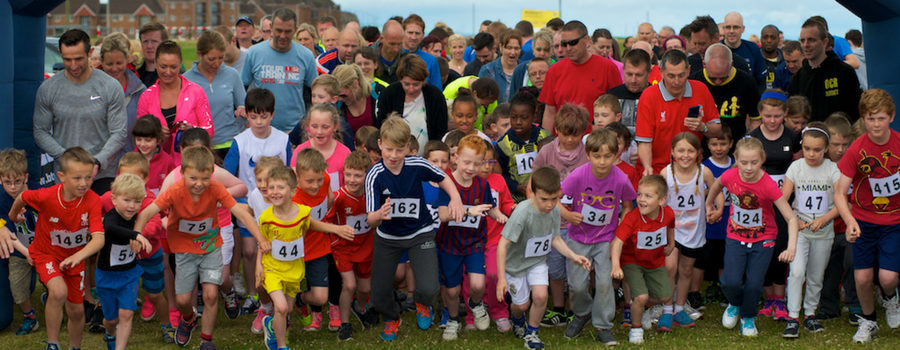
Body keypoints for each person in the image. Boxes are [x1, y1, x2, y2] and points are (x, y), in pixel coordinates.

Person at [133, 146, 262, 349]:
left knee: (210, 294)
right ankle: (188, 318)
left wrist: (260, 239)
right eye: (193, 178)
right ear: (182, 173)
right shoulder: (174, 191)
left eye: (204, 178)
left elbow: (242, 213)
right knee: (183, 301)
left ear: (212, 174)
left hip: (211, 248)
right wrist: (137, 234)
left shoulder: (216, 188)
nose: (199, 184)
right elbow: (147, 212)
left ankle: (206, 340)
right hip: (184, 252)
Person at [365, 116, 465, 341]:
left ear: (409, 149)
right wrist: (379, 216)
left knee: (430, 289)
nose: (393, 155)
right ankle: (392, 317)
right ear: (380, 144)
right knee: (379, 296)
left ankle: (421, 302)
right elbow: (370, 219)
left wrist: (455, 198)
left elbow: (443, 178)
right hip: (387, 238)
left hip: (420, 234)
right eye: (388, 149)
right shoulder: (374, 175)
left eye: (399, 150)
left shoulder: (417, 164)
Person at [9, 147, 106, 350]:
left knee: (77, 311)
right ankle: (52, 344)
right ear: (61, 176)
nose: (83, 183)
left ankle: (74, 347)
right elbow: (23, 196)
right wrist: (13, 216)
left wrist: (78, 256)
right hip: (46, 254)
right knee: (58, 291)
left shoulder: (93, 200)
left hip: (74, 258)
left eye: (88, 177)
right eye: (77, 177)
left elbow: (98, 239)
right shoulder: (47, 196)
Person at [705, 137, 798, 337]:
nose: (748, 168)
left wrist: (791, 248)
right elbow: (716, 184)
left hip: (763, 240)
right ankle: (735, 304)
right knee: (729, 281)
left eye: (754, 162)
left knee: (755, 284)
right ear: (736, 159)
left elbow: (790, 218)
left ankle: (748, 317)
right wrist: (710, 205)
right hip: (735, 236)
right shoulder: (730, 176)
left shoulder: (768, 185)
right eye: (744, 162)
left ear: (762, 160)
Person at [257, 165, 352, 349]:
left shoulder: (301, 212)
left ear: (293, 191)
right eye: (271, 188)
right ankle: (282, 346)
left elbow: (313, 225)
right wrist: (258, 268)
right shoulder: (266, 218)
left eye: (280, 187)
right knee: (282, 308)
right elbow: (262, 242)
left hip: (294, 270)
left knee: (288, 309)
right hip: (273, 269)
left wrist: (336, 229)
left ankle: (270, 325)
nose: (274, 192)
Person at [496, 166, 591, 350]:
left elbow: (555, 239)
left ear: (559, 193)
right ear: (533, 192)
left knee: (540, 297)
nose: (549, 204)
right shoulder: (522, 213)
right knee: (522, 306)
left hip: (537, 262)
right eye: (544, 199)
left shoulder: (555, 210)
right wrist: (501, 278)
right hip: (515, 266)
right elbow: (502, 245)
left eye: (554, 199)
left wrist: (574, 256)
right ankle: (516, 318)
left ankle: (532, 333)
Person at [834, 89, 900, 343]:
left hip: (894, 222)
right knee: (862, 277)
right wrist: (850, 221)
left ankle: (891, 297)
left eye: (881, 118)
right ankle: (868, 320)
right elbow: (840, 192)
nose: (875, 124)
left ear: (892, 117)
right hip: (864, 221)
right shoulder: (857, 150)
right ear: (863, 119)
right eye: (870, 119)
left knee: (887, 277)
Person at [559, 128, 636, 345]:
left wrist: (623, 224)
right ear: (588, 154)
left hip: (606, 239)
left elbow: (628, 205)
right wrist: (566, 213)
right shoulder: (578, 175)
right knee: (577, 285)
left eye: (607, 156)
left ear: (616, 154)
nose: (602, 161)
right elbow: (556, 197)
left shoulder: (620, 179)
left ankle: (603, 325)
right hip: (578, 238)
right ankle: (583, 312)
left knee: (604, 283)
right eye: (597, 156)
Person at [34, 29, 128, 195]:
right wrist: (66, 158)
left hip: (101, 176)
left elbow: (119, 133)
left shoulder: (110, 87)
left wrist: (97, 162)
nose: (73, 65)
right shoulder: (49, 88)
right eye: (67, 59)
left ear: (90, 53)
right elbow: (40, 131)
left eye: (79, 59)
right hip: (65, 177)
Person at [435, 135, 509, 340]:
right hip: (450, 245)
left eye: (478, 164)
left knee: (478, 285)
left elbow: (489, 209)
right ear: (456, 158)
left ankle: (476, 305)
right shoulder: (446, 183)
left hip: (474, 243)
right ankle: (453, 319)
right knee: (452, 291)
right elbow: (443, 215)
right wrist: (469, 211)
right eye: (467, 162)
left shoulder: (482, 185)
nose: (471, 168)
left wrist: (500, 216)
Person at [102, 153, 173, 343]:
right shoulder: (110, 198)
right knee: (117, 292)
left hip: (149, 255)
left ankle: (166, 325)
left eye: (135, 178)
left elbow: (156, 223)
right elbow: (97, 213)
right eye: (124, 177)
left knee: (155, 293)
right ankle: (115, 322)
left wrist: (139, 235)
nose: (129, 183)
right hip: (121, 259)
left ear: (145, 179)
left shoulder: (149, 199)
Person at [780, 123, 841, 338]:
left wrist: (825, 218)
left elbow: (843, 203)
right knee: (796, 272)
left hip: (824, 233)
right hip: (800, 232)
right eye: (807, 149)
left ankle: (810, 314)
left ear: (825, 148)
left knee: (816, 275)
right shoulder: (795, 168)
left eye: (817, 149)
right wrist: (794, 219)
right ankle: (793, 316)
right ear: (802, 147)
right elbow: (783, 199)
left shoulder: (833, 170)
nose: (812, 154)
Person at [660, 132, 721, 327]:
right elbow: (657, 198)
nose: (685, 155)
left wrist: (716, 209)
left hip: (694, 230)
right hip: (671, 229)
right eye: (680, 150)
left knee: (686, 270)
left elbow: (717, 189)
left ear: (698, 152)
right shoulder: (665, 173)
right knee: (670, 267)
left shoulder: (704, 172)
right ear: (672, 152)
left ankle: (679, 308)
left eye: (690, 150)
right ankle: (667, 310)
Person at [610, 175, 675, 344]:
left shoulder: (667, 213)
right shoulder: (632, 218)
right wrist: (616, 265)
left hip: (656, 261)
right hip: (633, 262)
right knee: (641, 296)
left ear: (661, 200)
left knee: (665, 296)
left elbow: (671, 225)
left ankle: (641, 307)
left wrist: (672, 243)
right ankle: (636, 327)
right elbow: (617, 242)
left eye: (648, 196)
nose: (641, 200)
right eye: (639, 195)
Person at [635, 50, 720, 176]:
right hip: (658, 171)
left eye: (681, 75)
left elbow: (717, 131)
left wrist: (702, 127)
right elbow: (645, 141)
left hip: (691, 169)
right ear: (661, 72)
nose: (676, 81)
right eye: (671, 76)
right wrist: (648, 168)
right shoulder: (649, 96)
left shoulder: (701, 89)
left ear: (689, 70)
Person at [323, 151, 379, 340]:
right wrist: (338, 230)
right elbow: (325, 223)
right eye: (348, 174)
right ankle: (344, 324)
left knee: (365, 289)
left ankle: (360, 307)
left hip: (366, 247)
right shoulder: (338, 197)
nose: (352, 180)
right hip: (343, 248)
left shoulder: (372, 196)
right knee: (349, 285)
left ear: (367, 175)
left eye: (357, 175)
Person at [95, 173, 153, 350]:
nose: (131, 206)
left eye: (137, 201)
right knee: (111, 319)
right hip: (106, 276)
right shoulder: (112, 218)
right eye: (126, 200)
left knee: (126, 313)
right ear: (114, 199)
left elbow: (153, 218)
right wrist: (136, 235)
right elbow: (112, 229)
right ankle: (110, 332)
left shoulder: (137, 217)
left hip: (129, 275)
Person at [137, 40, 214, 164]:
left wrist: (192, 132)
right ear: (155, 63)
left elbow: (209, 130)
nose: (168, 72)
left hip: (191, 165)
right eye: (163, 67)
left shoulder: (195, 91)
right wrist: (156, 134)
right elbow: (140, 134)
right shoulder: (146, 97)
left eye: (173, 67)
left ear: (180, 65)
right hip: (157, 166)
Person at [242, 8, 318, 133]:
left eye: (288, 31)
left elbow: (314, 94)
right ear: (271, 27)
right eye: (279, 30)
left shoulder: (306, 56)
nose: (282, 36)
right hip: (262, 130)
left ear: (295, 29)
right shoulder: (254, 53)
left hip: (294, 131)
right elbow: (242, 88)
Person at [541, 21, 622, 134]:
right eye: (564, 44)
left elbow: (617, 109)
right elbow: (550, 112)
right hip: (563, 144)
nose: (568, 48)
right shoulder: (554, 71)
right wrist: (546, 144)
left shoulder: (608, 68)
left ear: (587, 40)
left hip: (596, 145)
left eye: (573, 42)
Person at [817, 114, 857, 324]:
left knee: (852, 264)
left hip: (850, 227)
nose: (840, 150)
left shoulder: (855, 165)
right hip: (827, 227)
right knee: (828, 266)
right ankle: (828, 307)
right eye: (835, 145)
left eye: (845, 144)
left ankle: (854, 304)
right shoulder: (819, 166)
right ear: (825, 144)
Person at [184, 31, 247, 157]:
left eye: (221, 57)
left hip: (230, 143)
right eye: (211, 59)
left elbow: (244, 105)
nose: (216, 63)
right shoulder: (186, 79)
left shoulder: (233, 74)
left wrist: (242, 109)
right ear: (199, 54)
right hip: (200, 147)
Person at [788, 18, 861, 122]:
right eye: (802, 40)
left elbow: (855, 112)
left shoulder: (844, 72)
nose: (806, 45)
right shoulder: (798, 78)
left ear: (825, 42)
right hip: (809, 136)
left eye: (811, 40)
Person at [375, 55, 448, 155]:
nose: (411, 89)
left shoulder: (435, 96)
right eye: (406, 84)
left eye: (416, 84)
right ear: (400, 80)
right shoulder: (389, 94)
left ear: (424, 80)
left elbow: (440, 130)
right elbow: (381, 127)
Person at [223, 88, 292, 193]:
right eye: (253, 117)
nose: (259, 122)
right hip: (247, 202)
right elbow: (227, 176)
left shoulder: (283, 139)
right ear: (247, 115)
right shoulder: (240, 142)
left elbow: (290, 173)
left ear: (272, 114)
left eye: (264, 117)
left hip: (277, 201)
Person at [0, 150, 38, 336]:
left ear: (26, 177)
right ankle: (29, 316)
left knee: (56, 284)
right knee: (17, 288)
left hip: (45, 249)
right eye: (7, 182)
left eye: (18, 181)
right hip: (19, 252)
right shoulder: (2, 202)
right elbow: (8, 235)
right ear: (0, 180)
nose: (13, 187)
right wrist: (26, 253)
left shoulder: (39, 192)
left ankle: (53, 301)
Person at [689, 43, 761, 141]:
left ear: (731, 64)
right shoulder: (694, 82)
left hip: (736, 146)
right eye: (713, 78)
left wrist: (746, 142)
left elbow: (755, 119)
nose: (718, 82)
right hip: (701, 147)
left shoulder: (746, 82)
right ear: (704, 65)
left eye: (723, 78)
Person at [497, 90, 553, 200]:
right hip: (517, 200)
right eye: (514, 117)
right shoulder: (503, 145)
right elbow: (500, 174)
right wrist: (516, 187)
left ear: (534, 117)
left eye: (524, 117)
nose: (518, 122)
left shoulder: (545, 136)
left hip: (544, 197)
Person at [100, 35, 146, 156]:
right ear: (102, 62)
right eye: (109, 64)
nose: (115, 69)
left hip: (132, 162)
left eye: (119, 63)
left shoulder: (140, 90)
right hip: (101, 165)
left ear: (127, 60)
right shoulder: (92, 90)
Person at [607, 49, 652, 136]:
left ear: (649, 72)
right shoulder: (612, 95)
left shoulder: (656, 96)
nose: (633, 80)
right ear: (623, 69)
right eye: (629, 74)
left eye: (639, 75)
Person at [720, 12, 768, 90]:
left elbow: (761, 80)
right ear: (723, 28)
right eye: (728, 27)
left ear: (743, 29)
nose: (731, 31)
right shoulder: (716, 49)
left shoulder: (753, 48)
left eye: (735, 27)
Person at [334, 64, 381, 133]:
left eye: (343, 95)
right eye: (337, 96)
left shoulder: (378, 93)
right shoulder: (337, 105)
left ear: (355, 83)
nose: (340, 99)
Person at [402, 14, 443, 89]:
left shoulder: (431, 60)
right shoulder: (394, 55)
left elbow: (437, 91)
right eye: (410, 33)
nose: (413, 37)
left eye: (417, 33)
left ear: (423, 34)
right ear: (403, 32)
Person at [510, 30, 553, 99]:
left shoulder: (558, 68)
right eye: (538, 49)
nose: (542, 53)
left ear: (552, 49)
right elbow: (512, 99)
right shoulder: (520, 69)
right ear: (533, 49)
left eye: (546, 50)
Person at [136, 22, 169, 88]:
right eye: (145, 41)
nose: (149, 46)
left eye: (154, 41)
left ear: (164, 43)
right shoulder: (134, 77)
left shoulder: (175, 77)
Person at [760, 25, 784, 90]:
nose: (769, 41)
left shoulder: (786, 60)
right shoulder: (755, 59)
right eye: (765, 37)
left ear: (778, 40)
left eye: (773, 38)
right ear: (761, 39)